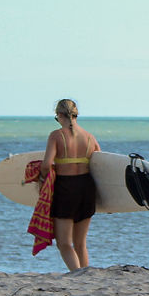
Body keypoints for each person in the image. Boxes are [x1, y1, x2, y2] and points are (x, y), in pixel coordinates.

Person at [41, 99, 101, 271]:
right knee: (81, 243)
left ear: (60, 115)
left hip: (66, 188)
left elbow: (46, 165)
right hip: (87, 187)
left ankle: (76, 275)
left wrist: (44, 180)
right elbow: (100, 163)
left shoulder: (56, 136)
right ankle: (85, 275)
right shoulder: (90, 137)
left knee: (64, 243)